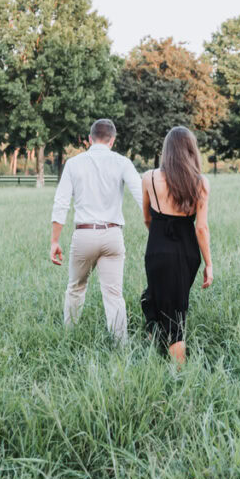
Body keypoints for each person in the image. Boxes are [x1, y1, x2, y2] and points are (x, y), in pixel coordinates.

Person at [50, 119, 143, 343]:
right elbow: (142, 197)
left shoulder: (73, 164)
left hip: (83, 234)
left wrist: (54, 241)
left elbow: (61, 203)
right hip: (112, 234)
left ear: (89, 139)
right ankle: (121, 344)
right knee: (114, 294)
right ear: (112, 140)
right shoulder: (122, 162)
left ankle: (69, 337)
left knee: (75, 288)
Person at [140, 126, 213, 366]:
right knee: (174, 306)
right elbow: (201, 228)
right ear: (191, 150)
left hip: (156, 250)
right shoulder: (200, 183)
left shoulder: (149, 177)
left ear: (167, 150)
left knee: (159, 300)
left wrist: (160, 242)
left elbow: (146, 218)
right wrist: (209, 264)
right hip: (186, 253)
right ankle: (176, 370)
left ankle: (169, 367)